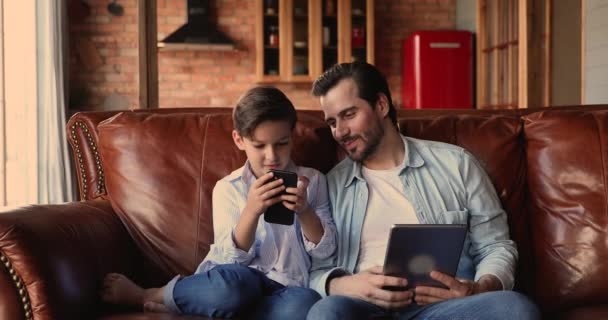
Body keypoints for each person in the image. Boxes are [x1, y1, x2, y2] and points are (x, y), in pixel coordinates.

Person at [306, 61, 540, 320]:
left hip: (441, 310)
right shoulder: (329, 186)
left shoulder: (457, 165)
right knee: (327, 311)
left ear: (381, 105)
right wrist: (343, 285)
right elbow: (313, 269)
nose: (340, 131)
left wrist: (479, 289)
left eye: (349, 115)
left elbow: (496, 245)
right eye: (331, 122)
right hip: (365, 310)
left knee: (516, 309)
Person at [101, 86, 337, 320]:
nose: (272, 156)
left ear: (292, 135)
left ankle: (197, 305)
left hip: (289, 289)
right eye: (259, 145)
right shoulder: (229, 188)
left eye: (281, 143)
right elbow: (231, 260)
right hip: (239, 282)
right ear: (239, 140)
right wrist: (251, 211)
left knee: (306, 304)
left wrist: (305, 212)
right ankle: (152, 294)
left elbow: (326, 253)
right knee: (231, 290)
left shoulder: (313, 181)